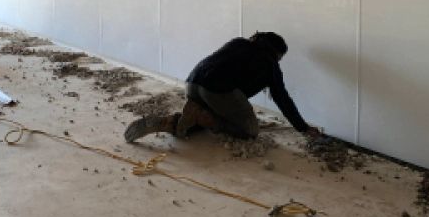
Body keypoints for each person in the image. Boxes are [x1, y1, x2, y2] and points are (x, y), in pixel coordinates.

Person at [125, 31, 320, 144]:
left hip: (193, 83)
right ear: (277, 53)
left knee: (214, 114)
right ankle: (203, 116)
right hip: (217, 91)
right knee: (249, 130)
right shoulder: (270, 63)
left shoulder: (238, 42)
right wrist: (302, 127)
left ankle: (169, 123)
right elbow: (282, 98)